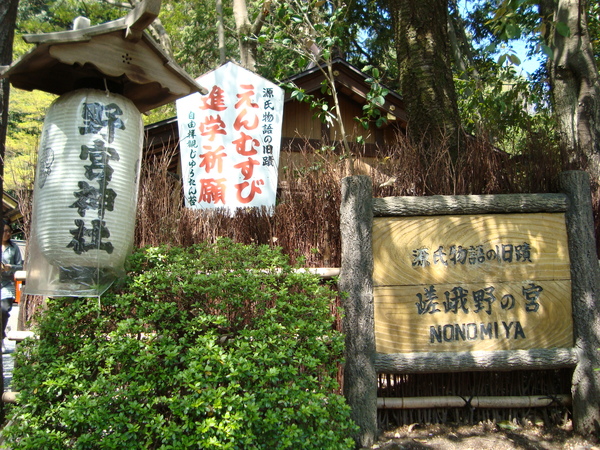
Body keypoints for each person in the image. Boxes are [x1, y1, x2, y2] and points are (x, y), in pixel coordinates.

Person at [1, 222, 23, 351]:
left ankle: (1, 337)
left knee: (4, 310)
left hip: (7, 284)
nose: (8, 233)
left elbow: (20, 266)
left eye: (9, 231)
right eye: (5, 231)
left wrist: (10, 267)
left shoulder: (14, 248)